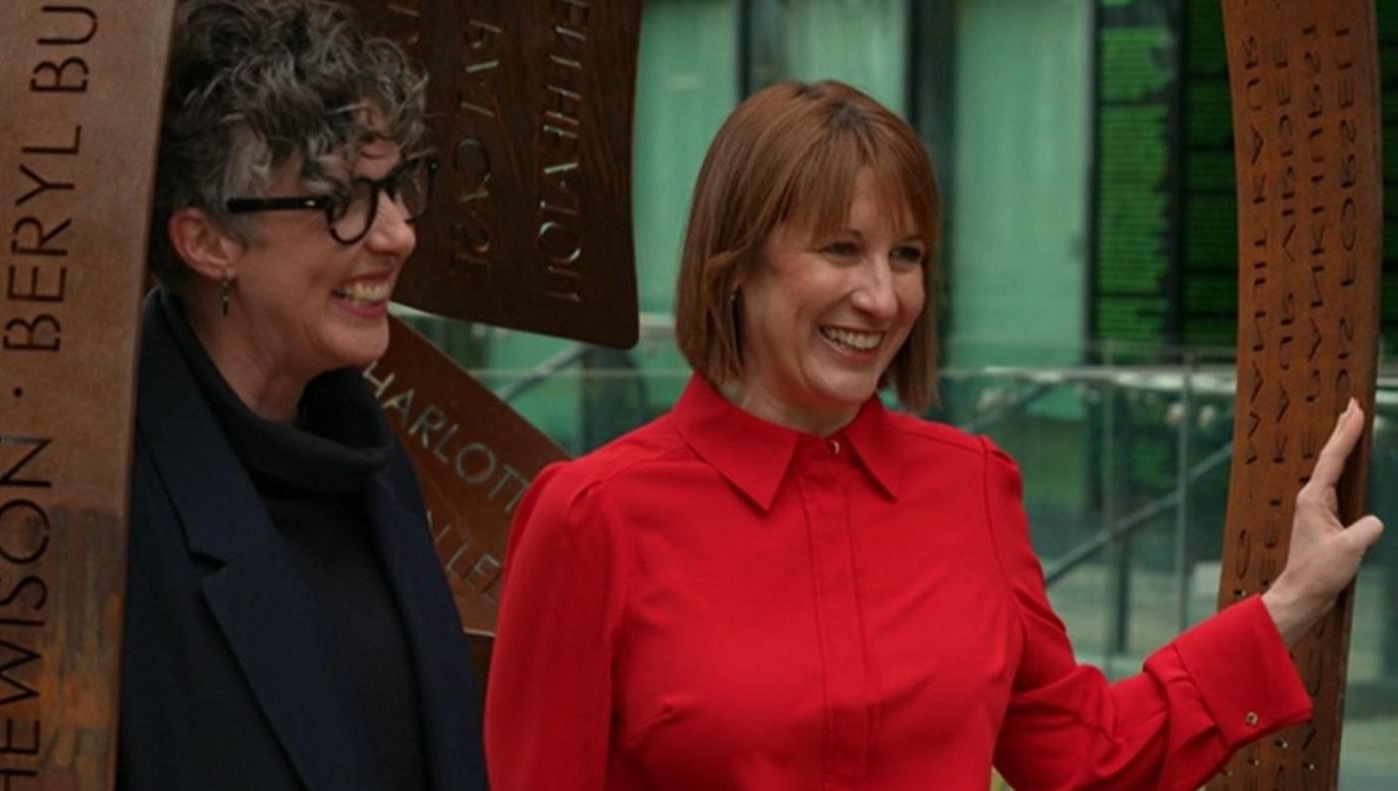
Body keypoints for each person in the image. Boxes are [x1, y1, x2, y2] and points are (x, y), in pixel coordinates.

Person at [483, 80, 1383, 789]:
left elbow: (1086, 757)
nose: (882, 297)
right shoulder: (593, 516)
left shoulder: (973, 488)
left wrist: (1289, 601)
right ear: (736, 265)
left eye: (906, 254)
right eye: (840, 249)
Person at [118, 1, 487, 789]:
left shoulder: (366, 457)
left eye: (396, 187)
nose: (397, 234)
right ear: (209, 240)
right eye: (341, 200)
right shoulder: (102, 501)